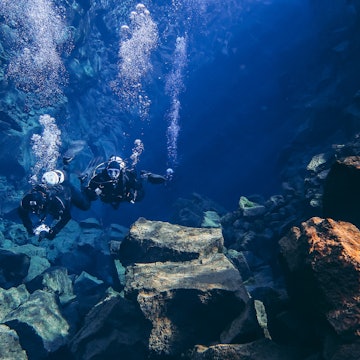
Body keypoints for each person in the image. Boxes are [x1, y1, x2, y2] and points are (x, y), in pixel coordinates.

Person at [18, 168, 90, 241]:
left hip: (68, 191)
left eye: (37, 209)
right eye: (32, 210)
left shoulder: (56, 202)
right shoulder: (27, 200)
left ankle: (85, 182)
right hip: (52, 188)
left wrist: (54, 231)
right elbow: (22, 212)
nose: (34, 212)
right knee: (51, 212)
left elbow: (67, 217)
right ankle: (66, 167)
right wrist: (29, 228)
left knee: (86, 206)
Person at [82, 155, 167, 209]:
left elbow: (138, 186)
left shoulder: (126, 176)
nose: (113, 175)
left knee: (139, 195)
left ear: (120, 171)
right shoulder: (101, 178)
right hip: (109, 199)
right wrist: (92, 192)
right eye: (110, 172)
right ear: (106, 170)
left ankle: (146, 176)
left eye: (116, 172)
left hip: (124, 196)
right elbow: (89, 188)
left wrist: (134, 191)